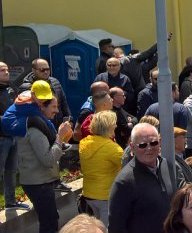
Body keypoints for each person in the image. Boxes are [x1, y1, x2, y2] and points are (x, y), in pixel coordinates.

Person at [17, 84, 72, 233]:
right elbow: (48, 159)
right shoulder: (35, 130)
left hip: (40, 181)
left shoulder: (40, 125)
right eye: (53, 106)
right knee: (49, 224)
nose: (57, 110)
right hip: (38, 184)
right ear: (42, 106)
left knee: (50, 218)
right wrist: (59, 137)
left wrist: (61, 140)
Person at [108, 123, 175, 233]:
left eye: (153, 143)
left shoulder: (167, 166)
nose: (149, 148)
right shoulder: (124, 182)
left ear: (160, 142)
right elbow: (116, 227)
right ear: (132, 147)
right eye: (143, 145)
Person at [78, 111, 123, 226]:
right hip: (105, 196)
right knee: (106, 227)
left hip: (88, 194)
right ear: (108, 127)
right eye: (114, 125)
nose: (116, 126)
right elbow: (127, 166)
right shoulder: (113, 148)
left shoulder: (83, 143)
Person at [0, 61, 28, 210]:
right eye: (2, 70)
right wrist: (8, 119)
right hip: (1, 137)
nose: (6, 72)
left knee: (11, 170)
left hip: (13, 135)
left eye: (7, 69)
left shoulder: (10, 88)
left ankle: (10, 202)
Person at [18, 58, 72, 127]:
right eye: (42, 70)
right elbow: (26, 111)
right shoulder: (27, 88)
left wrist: (69, 120)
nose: (45, 72)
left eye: (47, 69)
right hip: (40, 127)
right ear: (33, 70)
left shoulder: (55, 82)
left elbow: (64, 104)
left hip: (57, 127)